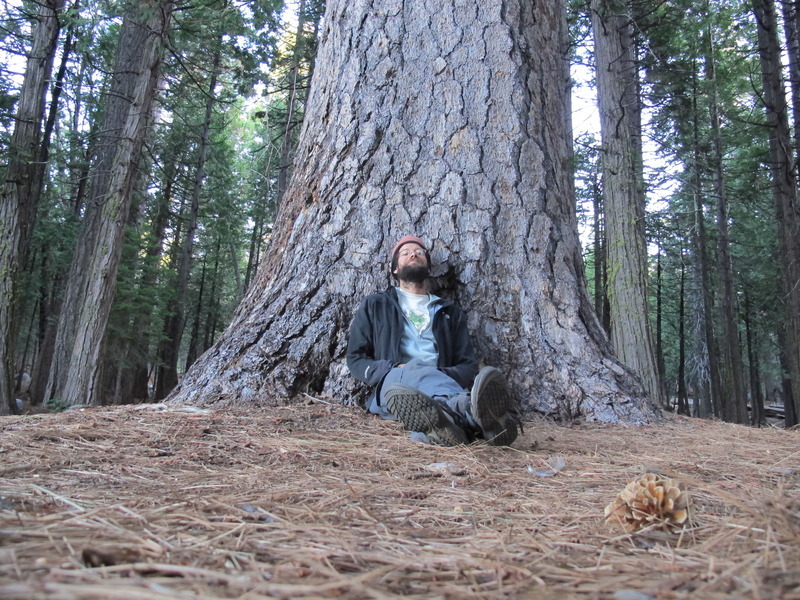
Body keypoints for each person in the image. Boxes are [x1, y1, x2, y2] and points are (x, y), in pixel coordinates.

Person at [346, 235, 522, 446]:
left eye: (420, 252)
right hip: (396, 385)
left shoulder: (448, 311)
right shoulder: (376, 305)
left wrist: (438, 375)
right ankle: (472, 412)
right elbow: (356, 359)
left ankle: (443, 425)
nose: (413, 254)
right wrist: (391, 368)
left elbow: (467, 364)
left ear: (429, 267)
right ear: (394, 269)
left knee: (433, 379)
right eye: (405, 253)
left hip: (441, 382)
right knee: (415, 369)